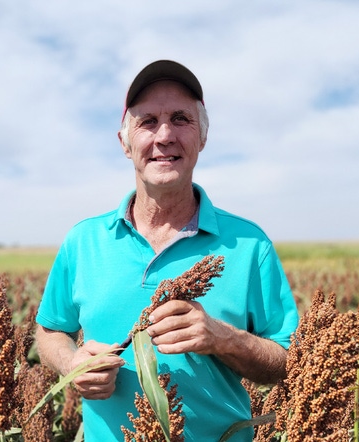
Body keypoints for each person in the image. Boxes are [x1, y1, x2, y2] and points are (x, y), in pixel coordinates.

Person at [34, 60, 299, 441]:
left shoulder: (249, 244)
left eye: (180, 119)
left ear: (202, 138)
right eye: (147, 122)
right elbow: (50, 331)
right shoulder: (83, 241)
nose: (164, 136)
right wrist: (71, 363)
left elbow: (290, 362)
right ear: (125, 143)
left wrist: (224, 338)